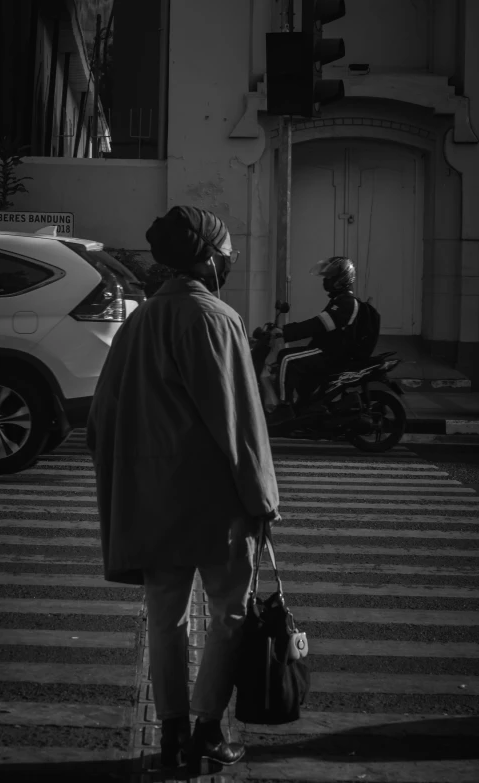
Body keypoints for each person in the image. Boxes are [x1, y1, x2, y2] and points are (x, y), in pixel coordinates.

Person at [86, 205, 280, 770]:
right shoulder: (217, 319)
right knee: (229, 615)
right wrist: (263, 499)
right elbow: (240, 424)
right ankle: (207, 732)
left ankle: (169, 736)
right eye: (225, 254)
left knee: (164, 617)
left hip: (155, 506)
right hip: (217, 508)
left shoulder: (138, 323)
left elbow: (100, 425)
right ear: (209, 259)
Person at [269, 256, 359, 424]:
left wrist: (284, 331)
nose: (325, 281)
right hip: (328, 350)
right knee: (290, 359)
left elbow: (317, 325)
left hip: (331, 353)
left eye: (329, 277)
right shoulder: (339, 301)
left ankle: (284, 408)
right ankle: (303, 404)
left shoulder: (345, 303)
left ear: (342, 279)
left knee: (286, 358)